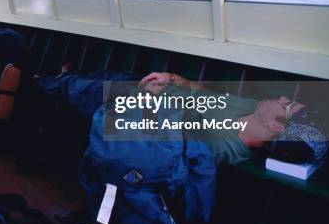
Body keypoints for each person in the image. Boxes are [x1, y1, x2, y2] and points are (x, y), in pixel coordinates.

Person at [36, 67, 305, 165]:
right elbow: (207, 94)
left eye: (286, 106)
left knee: (77, 89)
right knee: (101, 74)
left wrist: (149, 99)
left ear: (276, 127)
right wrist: (173, 78)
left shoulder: (220, 148)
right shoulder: (251, 109)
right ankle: (60, 78)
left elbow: (158, 138)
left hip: (129, 110)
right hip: (148, 89)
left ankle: (35, 82)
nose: (282, 99)